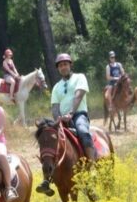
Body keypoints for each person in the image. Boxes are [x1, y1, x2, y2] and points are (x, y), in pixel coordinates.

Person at [37, 53, 95, 194]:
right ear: (58, 68)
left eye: (65, 64)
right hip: (62, 119)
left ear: (70, 65)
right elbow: (55, 107)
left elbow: (78, 96)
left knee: (83, 131)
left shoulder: (80, 78)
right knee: (48, 140)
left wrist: (70, 113)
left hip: (78, 114)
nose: (63, 67)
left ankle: (92, 168)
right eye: (60, 65)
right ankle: (47, 179)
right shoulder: (56, 87)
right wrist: (58, 119)